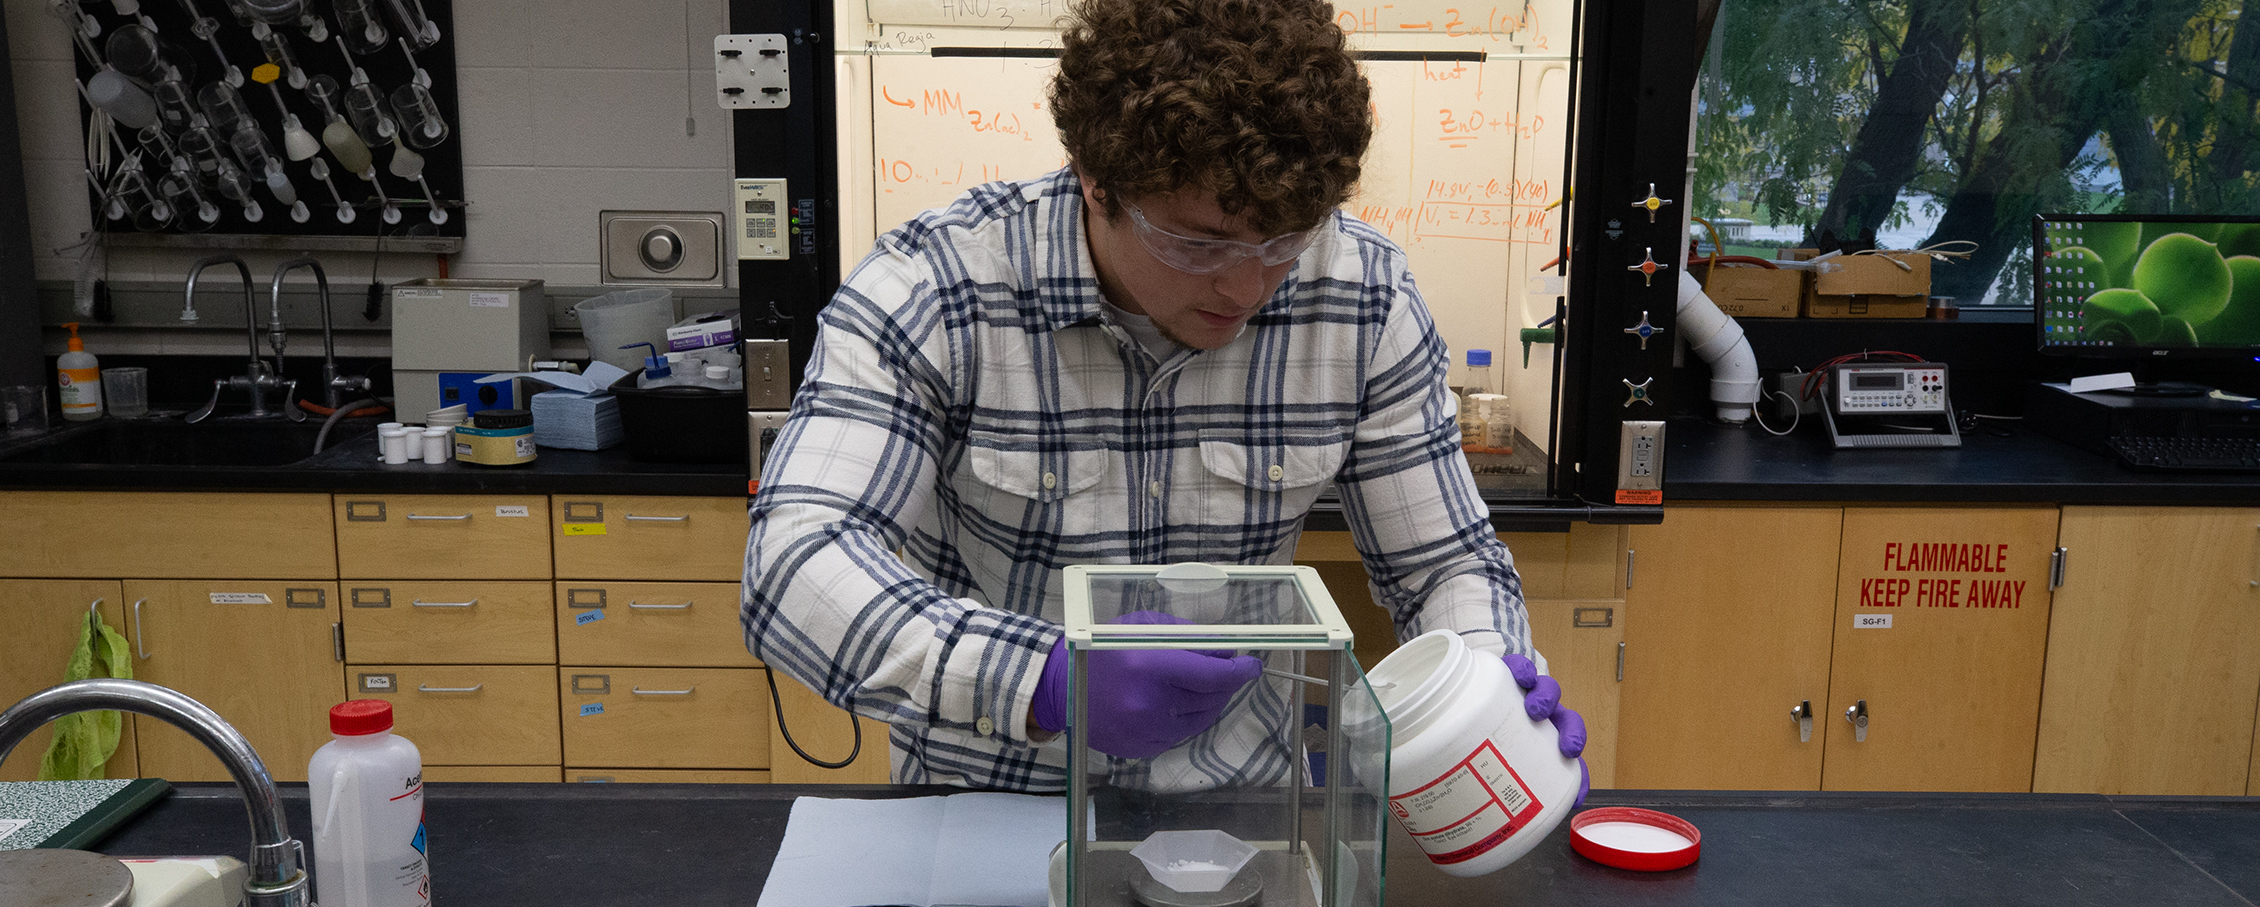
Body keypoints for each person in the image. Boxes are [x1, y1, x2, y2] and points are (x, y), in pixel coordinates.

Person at [741, 0, 1584, 795]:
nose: (1249, 285)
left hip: (1240, 811)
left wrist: (1487, 679)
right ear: (1094, 181)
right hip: (987, 805)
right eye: (1199, 242)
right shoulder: (938, 289)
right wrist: (1040, 676)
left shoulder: (1362, 298)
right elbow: (794, 561)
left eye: (1286, 239)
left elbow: (1443, 564)